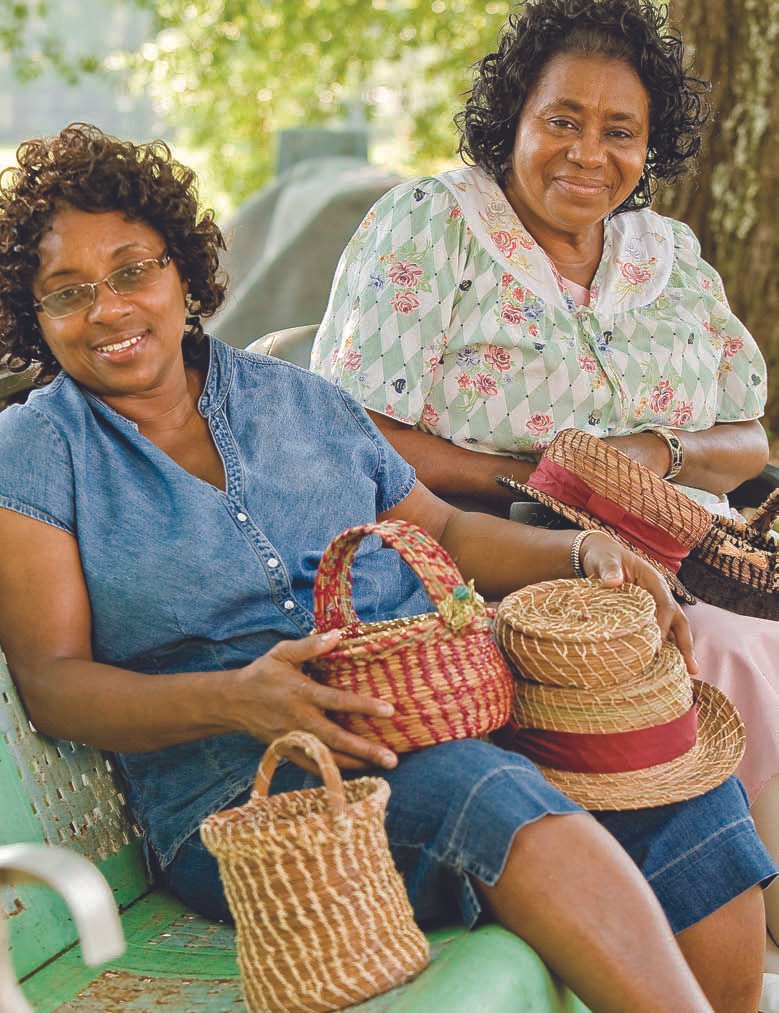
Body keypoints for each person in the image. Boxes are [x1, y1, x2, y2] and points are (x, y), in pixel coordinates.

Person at [0, 125, 772, 1013]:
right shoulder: (37, 449)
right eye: (68, 293)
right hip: (254, 797)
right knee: (482, 790)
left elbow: (443, 529)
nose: (107, 309)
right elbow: (55, 683)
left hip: (440, 715)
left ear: (181, 269)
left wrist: (581, 548)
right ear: (37, 315)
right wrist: (236, 697)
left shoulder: (297, 398)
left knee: (666, 769)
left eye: (132, 269)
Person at [310, 0, 779, 952]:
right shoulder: (431, 226)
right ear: (513, 117)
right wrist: (527, 476)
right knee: (723, 644)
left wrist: (655, 455)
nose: (587, 154)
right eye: (561, 120)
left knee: (742, 620)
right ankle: (744, 915)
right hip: (508, 546)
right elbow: (349, 428)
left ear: (649, 145)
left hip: (693, 537)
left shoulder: (670, 254)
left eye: (620, 132)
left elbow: (749, 436)